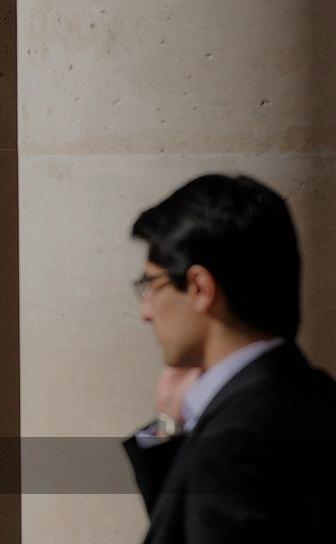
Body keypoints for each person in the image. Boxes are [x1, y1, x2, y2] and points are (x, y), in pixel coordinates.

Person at [124, 174, 336, 543]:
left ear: (200, 288)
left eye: (151, 285)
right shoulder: (315, 394)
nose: (146, 312)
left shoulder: (236, 443)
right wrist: (169, 429)